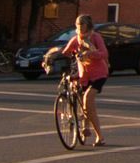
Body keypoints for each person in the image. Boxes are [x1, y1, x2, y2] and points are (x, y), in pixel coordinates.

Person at [43, 15, 109, 146]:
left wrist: (89, 53)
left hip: (99, 74)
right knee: (88, 106)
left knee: (87, 99)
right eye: (77, 25)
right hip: (84, 76)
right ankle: (92, 130)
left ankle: (97, 135)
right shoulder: (76, 40)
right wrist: (51, 57)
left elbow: (104, 54)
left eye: (82, 25)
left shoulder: (95, 37)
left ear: (88, 25)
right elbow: (65, 52)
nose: (79, 28)